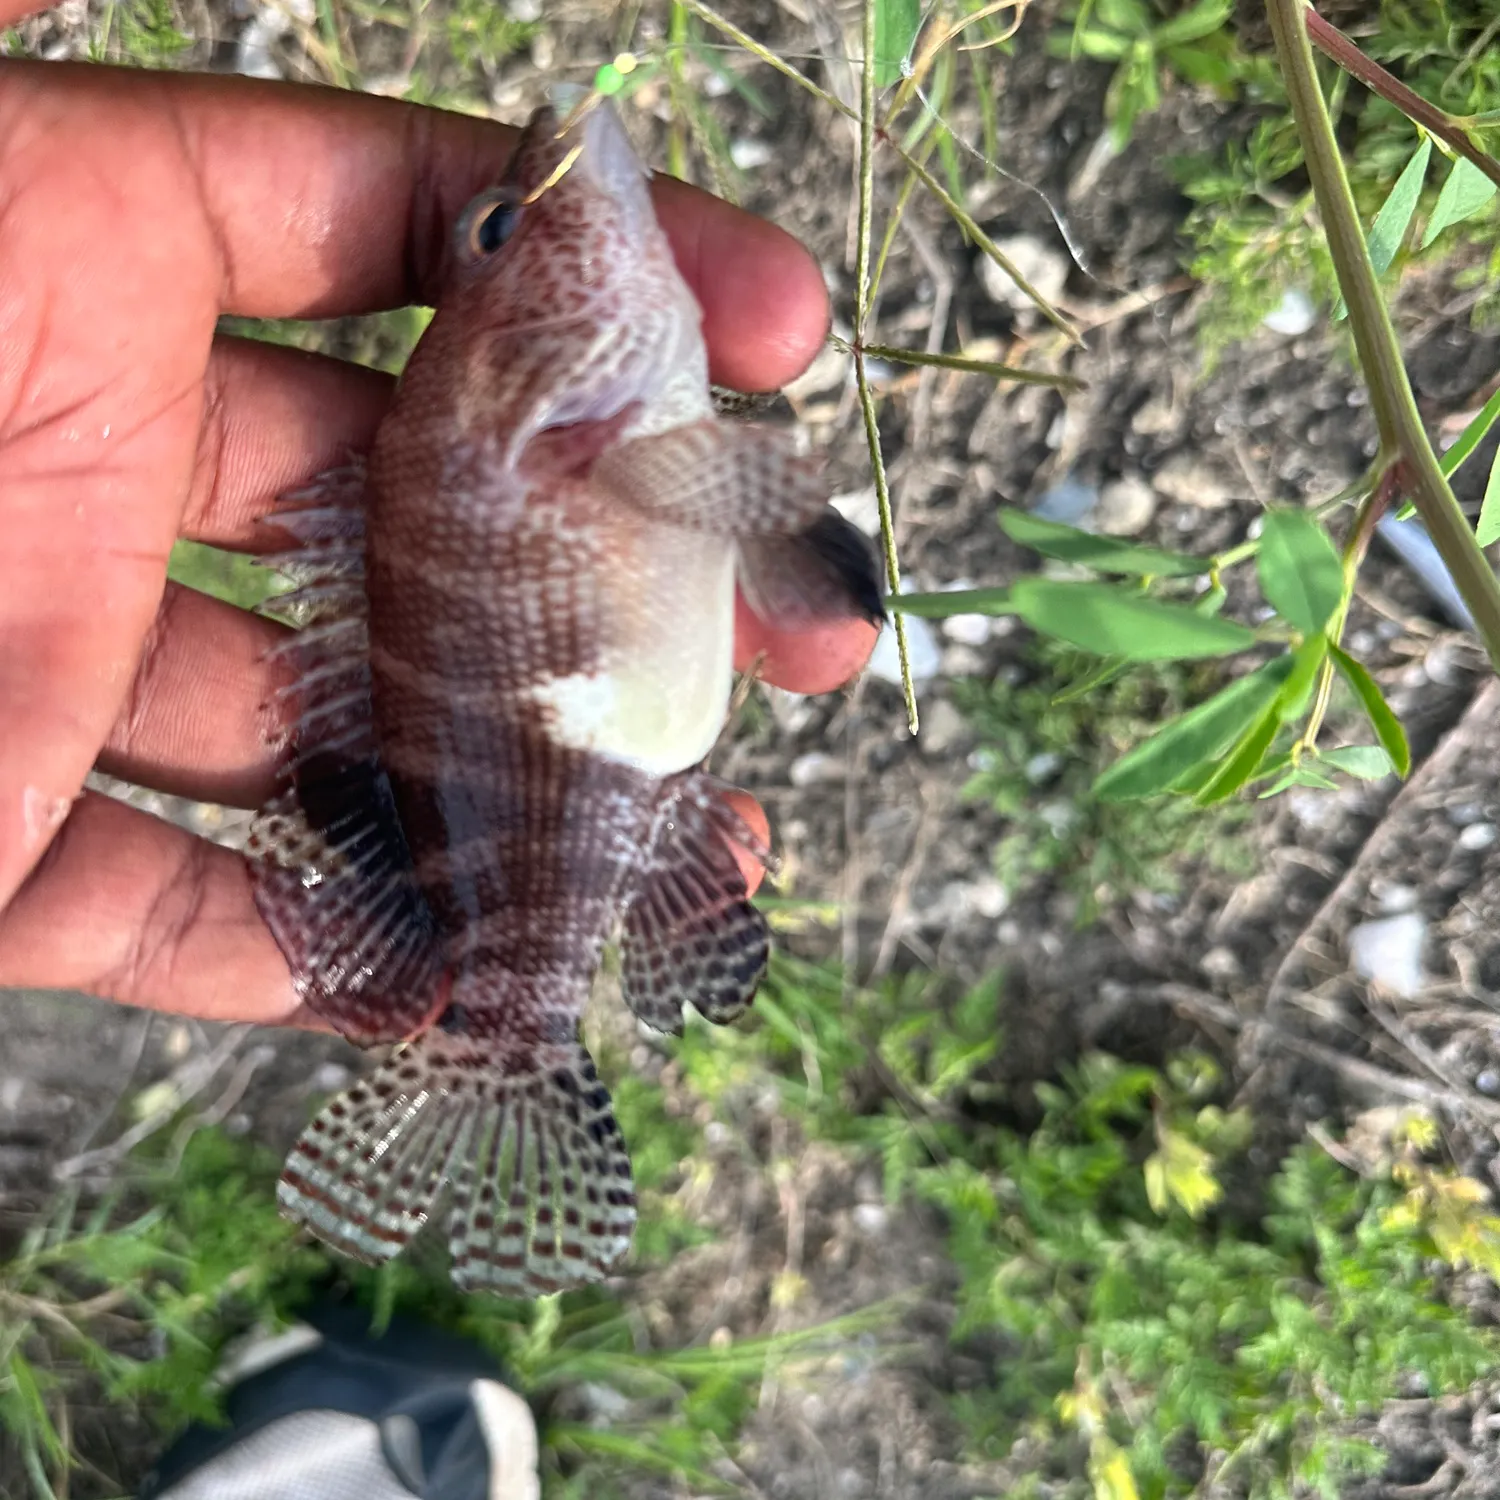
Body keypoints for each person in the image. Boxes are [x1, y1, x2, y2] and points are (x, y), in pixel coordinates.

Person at [0, 14, 879, 1026]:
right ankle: (518, 1037)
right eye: (499, 231)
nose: (532, 203)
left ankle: (514, 1029)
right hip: (598, 799)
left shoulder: (583, 437)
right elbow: (790, 551)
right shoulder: (593, 441)